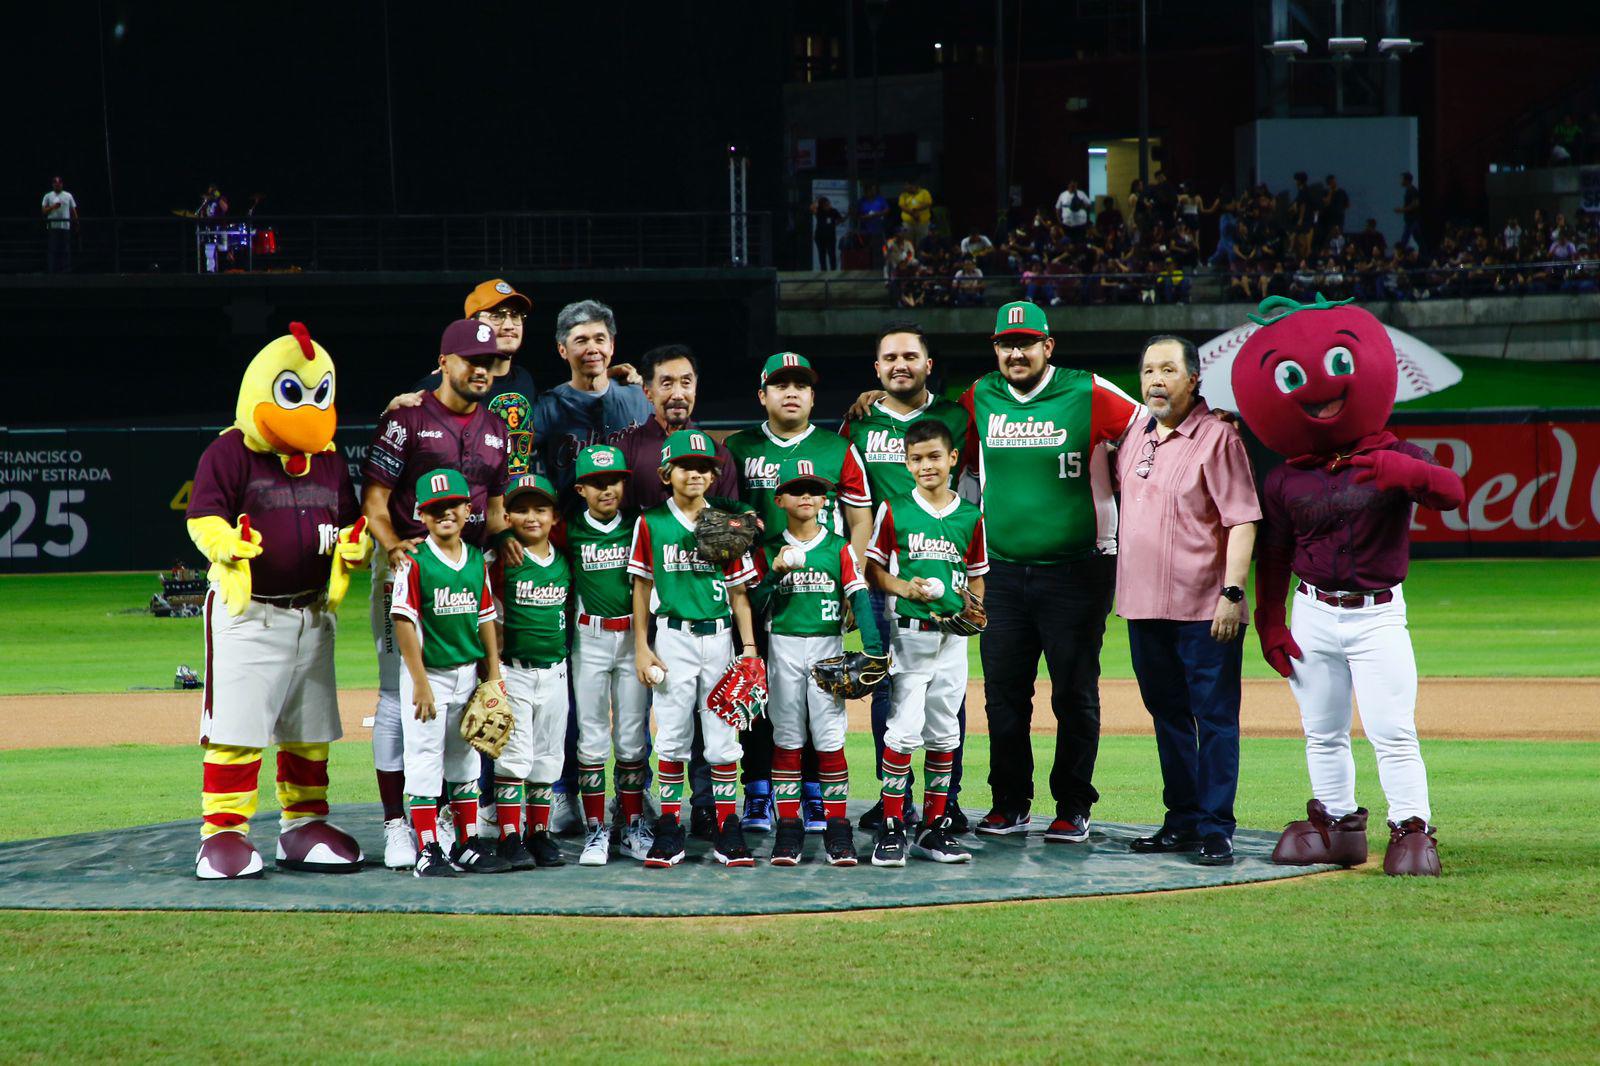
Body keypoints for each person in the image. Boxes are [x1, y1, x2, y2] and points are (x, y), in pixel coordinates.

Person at [1231, 294, 1463, 877]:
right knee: (1323, 731)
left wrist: (1406, 471)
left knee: (1392, 729)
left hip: (1378, 612)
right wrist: (1270, 620)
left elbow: (1451, 492)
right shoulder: (1286, 477)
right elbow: (1276, 553)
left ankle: (1413, 829)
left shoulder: (1394, 453)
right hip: (1313, 611)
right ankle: (1337, 825)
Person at [186, 323, 368, 880]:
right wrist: (227, 542)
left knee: (309, 729)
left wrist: (352, 548)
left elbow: (347, 518)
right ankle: (222, 833)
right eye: (295, 391)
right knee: (238, 730)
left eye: (320, 393)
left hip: (312, 611)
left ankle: (303, 824)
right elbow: (203, 516)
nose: (310, 408)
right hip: (250, 610)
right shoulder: (230, 450)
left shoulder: (331, 460)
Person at [961, 300, 1142, 842]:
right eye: (1005, 344)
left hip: (1078, 572)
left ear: (1048, 346)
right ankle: (1009, 802)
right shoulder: (979, 396)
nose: (1015, 352)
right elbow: (936, 436)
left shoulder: (1090, 391)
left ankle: (1073, 806)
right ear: (995, 349)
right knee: (1003, 696)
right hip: (1003, 576)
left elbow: (1153, 425)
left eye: (1026, 342)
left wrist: (1209, 417)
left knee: (1074, 694)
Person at [362, 319, 514, 870]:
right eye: (470, 359)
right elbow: (376, 499)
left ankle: (448, 820)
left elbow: (494, 510)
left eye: (490, 361)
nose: (481, 369)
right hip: (406, 567)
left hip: (468, 569)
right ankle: (395, 824)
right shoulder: (407, 418)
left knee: (459, 710)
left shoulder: (497, 427)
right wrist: (394, 548)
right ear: (443, 361)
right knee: (396, 699)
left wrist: (508, 541)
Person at [1116, 336, 1260, 867]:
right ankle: (1181, 820)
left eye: (1168, 370)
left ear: (1193, 379)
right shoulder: (1135, 435)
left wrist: (1233, 593)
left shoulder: (1219, 436)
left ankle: (1217, 826)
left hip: (1205, 606)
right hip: (1143, 605)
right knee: (1168, 716)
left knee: (1215, 717)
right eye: (1149, 369)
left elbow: (1242, 518)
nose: (1156, 379)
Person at [724, 353, 873, 831]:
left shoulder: (837, 447)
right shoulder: (740, 447)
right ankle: (758, 792)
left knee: (819, 699)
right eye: (780, 384)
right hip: (758, 591)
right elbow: (725, 519)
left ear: (812, 396)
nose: (791, 392)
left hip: (819, 594)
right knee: (756, 698)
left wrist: (852, 580)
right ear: (762, 395)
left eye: (800, 385)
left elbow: (859, 518)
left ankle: (812, 794)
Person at [839, 323, 970, 831]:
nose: (900, 364)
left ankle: (947, 798)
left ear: (928, 364)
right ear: (876, 369)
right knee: (886, 688)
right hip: (881, 577)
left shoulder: (957, 418)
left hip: (943, 576)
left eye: (910, 356)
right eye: (889, 357)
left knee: (944, 689)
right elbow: (849, 503)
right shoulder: (861, 422)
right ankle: (896, 800)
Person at [612, 343, 734, 838]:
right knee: (646, 714)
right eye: (666, 382)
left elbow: (729, 534)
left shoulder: (716, 453)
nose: (677, 392)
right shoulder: (627, 446)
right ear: (647, 390)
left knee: (711, 718)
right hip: (639, 595)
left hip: (702, 600)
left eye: (686, 382)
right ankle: (637, 807)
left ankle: (704, 807)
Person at [629, 430, 762, 868]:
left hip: (722, 637)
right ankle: (670, 827)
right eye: (687, 466)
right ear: (667, 472)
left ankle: (728, 826)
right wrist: (642, 648)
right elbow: (642, 585)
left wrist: (748, 648)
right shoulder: (650, 522)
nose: (696, 474)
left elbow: (740, 593)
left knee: (724, 740)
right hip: (673, 637)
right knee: (671, 735)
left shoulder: (727, 522)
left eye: (705, 468)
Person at [747, 457, 885, 867]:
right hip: (783, 647)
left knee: (829, 740)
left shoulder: (837, 547)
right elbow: (754, 604)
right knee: (786, 739)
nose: (806, 497)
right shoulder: (769, 547)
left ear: (825, 500)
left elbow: (858, 596)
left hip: (828, 648)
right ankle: (788, 830)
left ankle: (837, 830)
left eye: (814, 490)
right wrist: (772, 572)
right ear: (780, 499)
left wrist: (875, 649)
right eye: (797, 490)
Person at [865, 419, 989, 867]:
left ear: (953, 458)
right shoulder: (894, 509)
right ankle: (892, 827)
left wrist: (973, 613)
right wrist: (904, 589)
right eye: (916, 458)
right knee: (904, 729)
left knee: (945, 732)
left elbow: (977, 574)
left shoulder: (970, 515)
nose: (926, 465)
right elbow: (874, 570)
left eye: (935, 456)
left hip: (952, 640)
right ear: (906, 463)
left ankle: (933, 831)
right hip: (910, 637)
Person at [391, 467, 510, 877]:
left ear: (467, 509)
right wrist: (419, 681)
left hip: (466, 675)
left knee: (465, 762)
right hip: (429, 677)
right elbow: (403, 622)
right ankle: (427, 850)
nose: (446, 513)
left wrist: (493, 675)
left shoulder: (476, 559)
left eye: (453, 505)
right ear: (421, 515)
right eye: (436, 508)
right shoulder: (415, 561)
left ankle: (465, 843)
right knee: (425, 761)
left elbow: (486, 617)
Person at [565, 445, 654, 864]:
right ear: (581, 488)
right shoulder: (566, 530)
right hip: (590, 640)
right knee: (592, 737)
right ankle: (597, 829)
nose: (607, 489)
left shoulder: (640, 526)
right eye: (598, 482)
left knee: (633, 736)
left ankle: (633, 825)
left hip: (633, 640)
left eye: (614, 480)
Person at [486, 473, 573, 870]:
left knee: (548, 757)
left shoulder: (563, 558)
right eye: (520, 509)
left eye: (540, 508)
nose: (531, 517)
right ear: (506, 515)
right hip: (513, 671)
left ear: (555, 515)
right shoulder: (497, 560)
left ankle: (539, 833)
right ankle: (508, 836)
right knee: (513, 757)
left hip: (556, 671)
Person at [532, 299, 654, 497]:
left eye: (600, 339)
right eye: (581, 341)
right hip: (571, 521)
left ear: (612, 346)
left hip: (632, 521)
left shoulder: (640, 397)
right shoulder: (548, 407)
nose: (592, 349)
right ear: (562, 349)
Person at [40, 176, 77, 274]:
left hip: (65, 227)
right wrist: (52, 206)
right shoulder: (48, 196)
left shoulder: (68, 195)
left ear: (62, 184)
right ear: (53, 184)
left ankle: (66, 270)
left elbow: (73, 210)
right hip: (53, 227)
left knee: (65, 249)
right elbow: (43, 211)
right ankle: (52, 270)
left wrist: (76, 222)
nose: (57, 185)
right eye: (55, 183)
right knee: (53, 249)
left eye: (59, 183)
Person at [856, 183, 891, 266]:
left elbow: (887, 210)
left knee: (879, 250)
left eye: (873, 190)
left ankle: (878, 268)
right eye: (870, 190)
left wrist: (876, 214)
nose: (872, 192)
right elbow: (857, 215)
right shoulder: (862, 201)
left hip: (878, 229)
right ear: (866, 191)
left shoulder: (880, 199)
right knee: (866, 251)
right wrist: (866, 217)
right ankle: (868, 268)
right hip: (865, 230)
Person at [811, 196, 842, 271]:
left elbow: (840, 219)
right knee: (822, 255)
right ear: (822, 206)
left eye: (829, 204)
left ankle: (833, 272)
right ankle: (823, 272)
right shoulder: (819, 211)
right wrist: (817, 200)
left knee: (832, 255)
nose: (828, 206)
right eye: (826, 205)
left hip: (830, 237)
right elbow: (812, 208)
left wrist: (836, 222)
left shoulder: (833, 211)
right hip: (820, 237)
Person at [898, 179, 933, 246]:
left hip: (922, 223)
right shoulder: (904, 195)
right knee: (908, 243)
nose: (905, 187)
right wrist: (912, 213)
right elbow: (902, 206)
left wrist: (915, 208)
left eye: (907, 185)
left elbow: (928, 203)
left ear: (913, 185)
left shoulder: (924, 192)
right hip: (908, 224)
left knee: (922, 242)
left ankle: (920, 256)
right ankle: (910, 256)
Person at [1395, 172, 1422, 253]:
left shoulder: (1412, 190)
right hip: (1410, 220)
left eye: (1402, 179)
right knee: (1419, 240)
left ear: (1406, 180)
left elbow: (1415, 204)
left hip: (1412, 220)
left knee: (1405, 239)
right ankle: (1426, 256)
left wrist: (1402, 210)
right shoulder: (1409, 190)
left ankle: (1400, 256)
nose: (1400, 181)